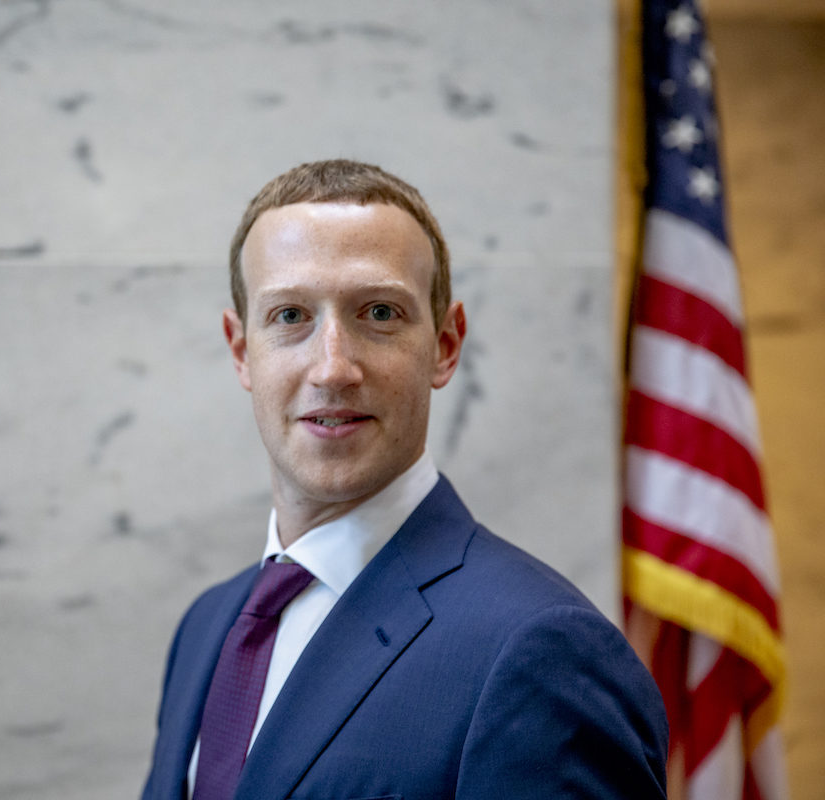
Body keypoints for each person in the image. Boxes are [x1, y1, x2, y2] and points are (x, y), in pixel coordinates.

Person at [140, 159, 668, 800]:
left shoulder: (541, 649)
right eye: (289, 317)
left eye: (380, 312)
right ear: (240, 350)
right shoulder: (208, 626)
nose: (333, 368)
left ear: (445, 345)